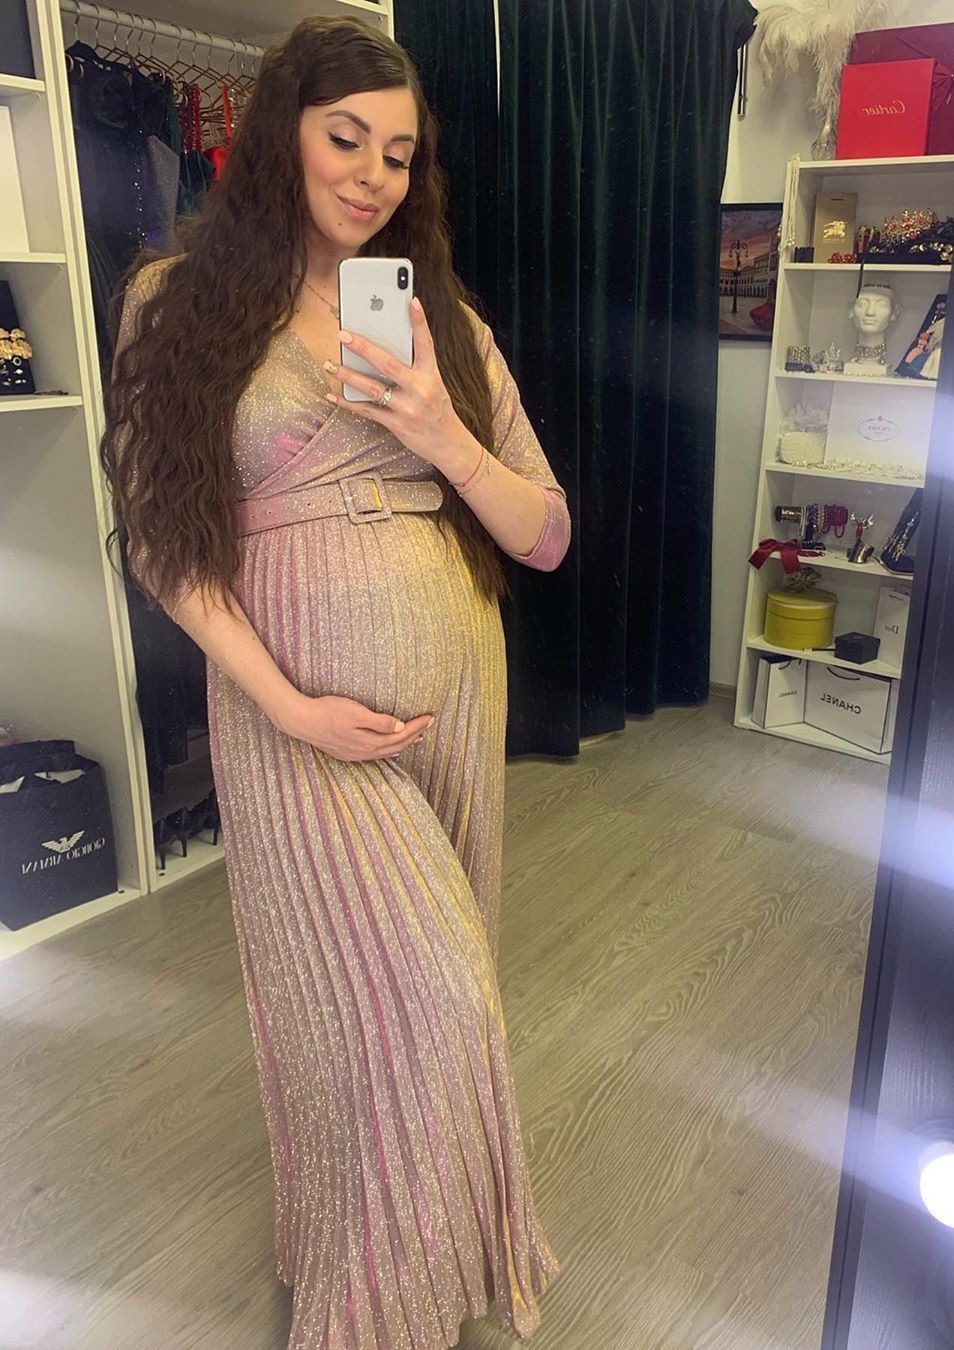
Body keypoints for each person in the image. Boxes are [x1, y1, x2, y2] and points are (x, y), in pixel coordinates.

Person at [101, 16, 567, 1348]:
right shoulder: (177, 300)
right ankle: (373, 1308)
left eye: (399, 154)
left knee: (432, 996)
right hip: (293, 715)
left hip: (454, 686)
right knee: (409, 1004)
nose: (372, 175)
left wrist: (440, 431)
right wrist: (287, 703)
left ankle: (420, 1263)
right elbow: (164, 546)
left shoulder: (438, 323)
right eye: (346, 138)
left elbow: (545, 532)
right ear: (280, 136)